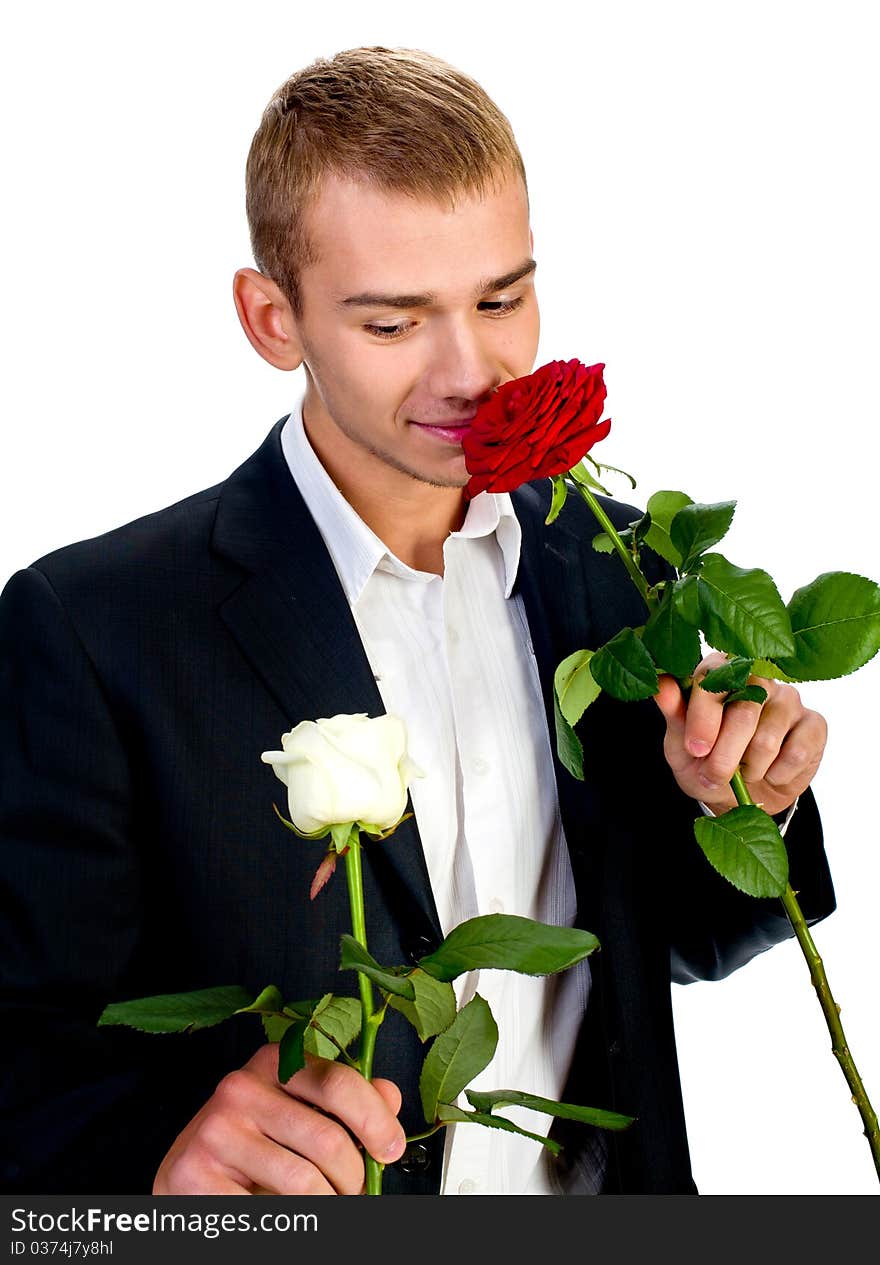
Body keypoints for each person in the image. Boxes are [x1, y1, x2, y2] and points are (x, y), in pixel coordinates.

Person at [0, 46, 833, 1197]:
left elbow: (671, 949)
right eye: (393, 323)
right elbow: (28, 1063)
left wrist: (751, 805)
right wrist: (158, 1163)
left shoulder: (621, 566)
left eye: (501, 298)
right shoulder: (94, 629)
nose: (471, 372)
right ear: (269, 317)